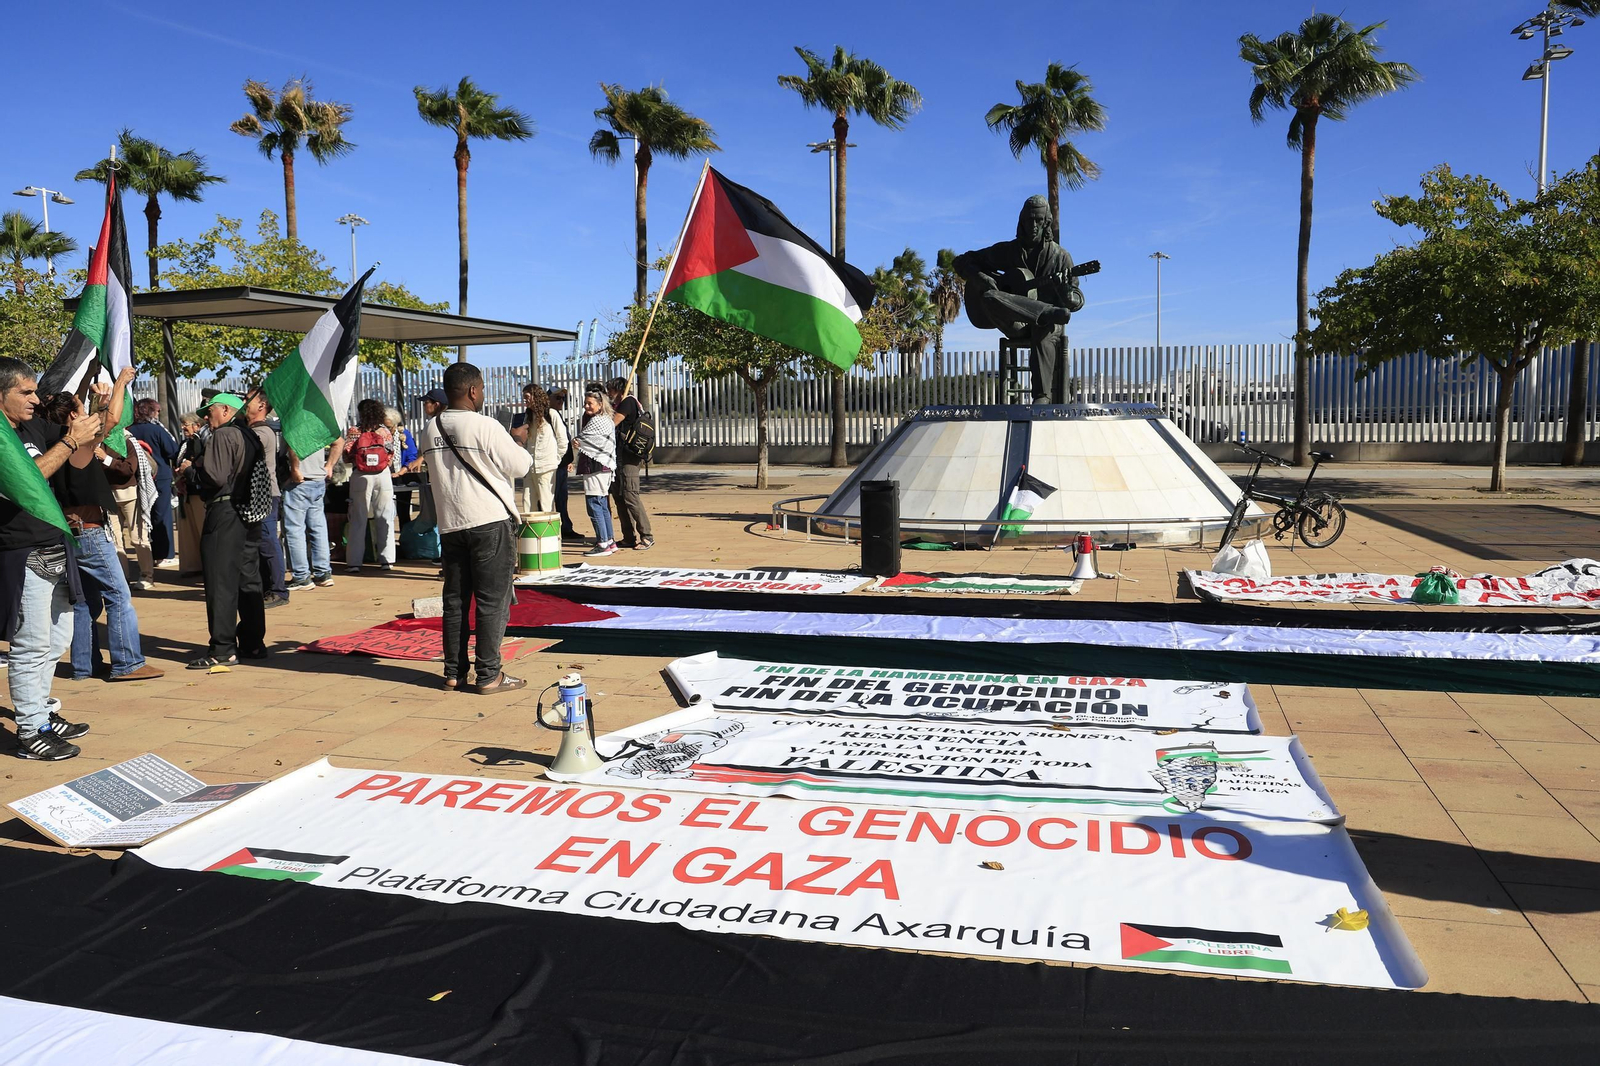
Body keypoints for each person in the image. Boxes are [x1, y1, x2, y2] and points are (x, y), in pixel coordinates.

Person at [0, 356, 105, 759]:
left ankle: (41, 711)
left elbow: (76, 450)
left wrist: (95, 416)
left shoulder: (30, 426)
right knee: (30, 644)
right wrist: (68, 441)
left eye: (34, 390)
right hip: (21, 551)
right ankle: (29, 731)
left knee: (58, 637)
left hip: (54, 545)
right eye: (23, 392)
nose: (34, 398)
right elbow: (28, 479)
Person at [37, 379, 165, 685]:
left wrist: (99, 399)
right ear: (71, 417)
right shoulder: (78, 444)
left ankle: (85, 664)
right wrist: (120, 382)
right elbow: (111, 420)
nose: (85, 416)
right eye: (79, 411)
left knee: (85, 602)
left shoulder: (51, 444)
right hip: (91, 532)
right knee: (118, 595)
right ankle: (127, 662)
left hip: (72, 530)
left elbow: (105, 419)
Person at [419, 362, 530, 694]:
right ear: (472, 390)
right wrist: (519, 440)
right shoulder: (486, 425)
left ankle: (453, 672)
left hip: (451, 524)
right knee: (491, 601)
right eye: (480, 388)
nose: (482, 394)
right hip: (488, 522)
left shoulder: (430, 427)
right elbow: (521, 465)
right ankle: (488, 674)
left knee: (454, 600)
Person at [190, 393, 268, 670]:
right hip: (249, 512)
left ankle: (222, 649)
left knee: (220, 582)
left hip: (225, 511)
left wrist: (191, 470)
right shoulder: (250, 435)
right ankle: (253, 642)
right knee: (248, 578)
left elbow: (215, 476)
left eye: (209, 412)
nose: (207, 419)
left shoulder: (224, 435)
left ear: (225, 410)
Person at [243, 390, 289, 606]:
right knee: (259, 544)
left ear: (261, 405)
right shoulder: (255, 430)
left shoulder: (262, 432)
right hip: (258, 495)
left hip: (266, 495)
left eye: (248, 399)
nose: (244, 402)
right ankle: (266, 588)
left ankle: (279, 591)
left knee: (268, 543)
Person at [282, 431, 343, 591]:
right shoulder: (318, 421)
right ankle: (323, 573)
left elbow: (293, 446)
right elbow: (339, 441)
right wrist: (329, 466)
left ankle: (302, 576)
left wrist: (295, 468)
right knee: (318, 528)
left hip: (300, 481)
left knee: (295, 530)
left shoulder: (295, 420)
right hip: (317, 479)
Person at [344, 399, 399, 573]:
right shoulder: (384, 431)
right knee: (385, 517)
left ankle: (354, 562)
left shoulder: (355, 430)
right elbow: (391, 454)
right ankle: (387, 560)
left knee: (358, 518)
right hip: (382, 476)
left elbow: (346, 455)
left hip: (361, 476)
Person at [126, 397, 179, 565]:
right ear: (148, 411)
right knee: (161, 514)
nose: (158, 414)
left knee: (140, 518)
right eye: (156, 410)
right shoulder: (157, 430)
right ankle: (164, 555)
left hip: (137, 476)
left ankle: (148, 555)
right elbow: (172, 451)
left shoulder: (129, 430)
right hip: (160, 476)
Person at [605, 377, 653, 550]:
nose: (608, 393)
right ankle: (628, 536)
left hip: (629, 457)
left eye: (610, 389)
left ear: (617, 389)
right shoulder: (622, 403)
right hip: (618, 457)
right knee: (619, 496)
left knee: (630, 495)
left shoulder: (628, 402)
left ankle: (646, 535)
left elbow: (611, 424)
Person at [510, 383, 569, 514]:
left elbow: (563, 440)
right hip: (530, 466)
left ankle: (551, 534)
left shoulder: (551, 414)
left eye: (527, 396)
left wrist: (555, 460)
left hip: (547, 466)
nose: (524, 400)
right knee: (527, 501)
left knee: (546, 503)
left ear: (535, 396)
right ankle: (530, 533)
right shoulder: (529, 416)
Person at [576, 385, 618, 557]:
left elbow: (582, 439)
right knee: (601, 504)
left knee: (594, 504)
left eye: (589, 403)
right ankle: (609, 541)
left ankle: (602, 543)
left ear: (600, 404)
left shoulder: (598, 420)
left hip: (596, 466)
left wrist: (576, 441)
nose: (586, 407)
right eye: (585, 403)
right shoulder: (606, 418)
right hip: (603, 466)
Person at [174, 414, 206, 576]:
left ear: (197, 425)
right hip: (185, 491)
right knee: (188, 532)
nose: (183, 428)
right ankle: (192, 566)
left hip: (198, 492)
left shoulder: (201, 442)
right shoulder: (185, 443)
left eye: (185, 424)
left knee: (203, 529)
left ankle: (207, 566)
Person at [546, 387, 580, 540]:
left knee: (561, 497)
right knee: (550, 497)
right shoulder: (548, 415)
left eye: (563, 398)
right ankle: (554, 528)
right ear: (548, 399)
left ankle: (565, 527)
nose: (561, 401)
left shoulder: (556, 415)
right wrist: (561, 459)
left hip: (560, 464)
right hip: (553, 464)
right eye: (557, 398)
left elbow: (564, 440)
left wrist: (568, 460)